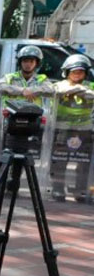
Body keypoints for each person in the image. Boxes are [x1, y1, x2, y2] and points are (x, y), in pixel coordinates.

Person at [50, 54, 94, 202]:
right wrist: (72, 90)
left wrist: (76, 90)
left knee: (84, 162)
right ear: (67, 72)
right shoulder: (59, 85)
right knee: (59, 161)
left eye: (81, 71)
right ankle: (57, 190)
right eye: (74, 71)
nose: (77, 74)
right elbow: (55, 92)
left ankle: (81, 191)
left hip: (84, 129)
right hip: (62, 128)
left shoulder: (91, 86)